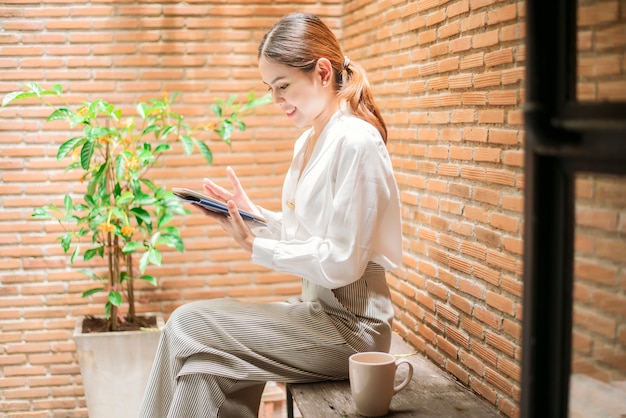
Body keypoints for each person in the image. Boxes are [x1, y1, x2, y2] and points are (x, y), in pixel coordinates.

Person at [139, 12, 402, 417]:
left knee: (186, 324)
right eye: (270, 89)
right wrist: (254, 217)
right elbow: (308, 233)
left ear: (322, 72)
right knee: (204, 368)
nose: (277, 100)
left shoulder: (356, 142)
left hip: (353, 329)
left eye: (283, 86)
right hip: (317, 312)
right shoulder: (309, 140)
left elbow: (345, 260)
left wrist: (259, 246)